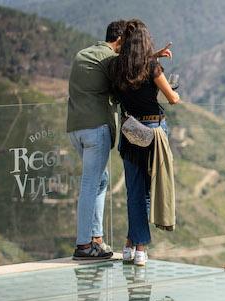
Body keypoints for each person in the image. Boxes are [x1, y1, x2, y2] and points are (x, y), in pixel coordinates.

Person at [109, 19, 180, 266]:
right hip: (153, 132)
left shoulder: (117, 67)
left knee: (135, 191)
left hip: (130, 131)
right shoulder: (152, 67)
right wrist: (175, 91)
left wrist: (154, 55)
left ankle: (130, 243)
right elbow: (172, 99)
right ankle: (140, 248)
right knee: (149, 191)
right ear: (145, 41)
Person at [67, 20, 127, 260]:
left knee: (100, 180)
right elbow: (122, 87)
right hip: (96, 129)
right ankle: (83, 245)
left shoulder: (84, 54)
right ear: (120, 40)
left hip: (75, 129)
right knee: (91, 184)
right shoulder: (111, 60)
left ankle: (96, 238)